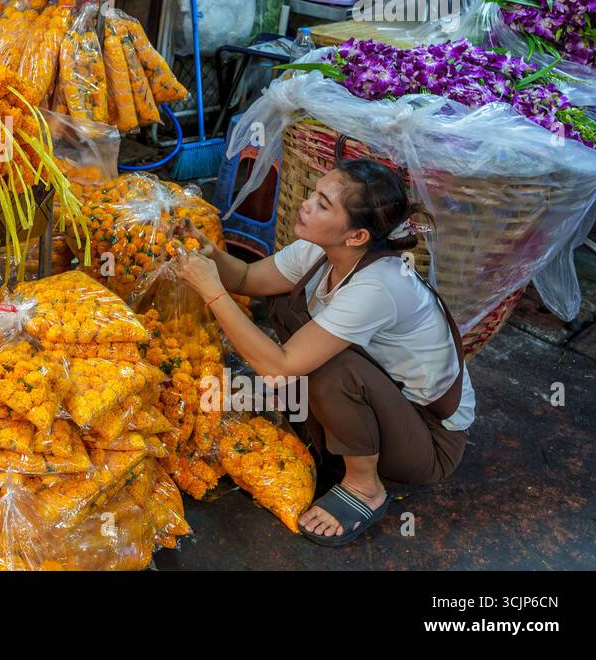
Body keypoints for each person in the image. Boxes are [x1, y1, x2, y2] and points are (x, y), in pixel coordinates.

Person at [173, 159, 474, 547]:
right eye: (315, 193)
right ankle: (329, 431)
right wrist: (210, 252)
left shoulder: (378, 286)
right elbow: (247, 279)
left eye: (324, 204)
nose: (306, 204)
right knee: (284, 297)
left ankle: (365, 486)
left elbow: (281, 368)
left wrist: (210, 290)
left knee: (331, 368)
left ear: (356, 236)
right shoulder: (318, 252)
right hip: (387, 406)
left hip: (429, 439)